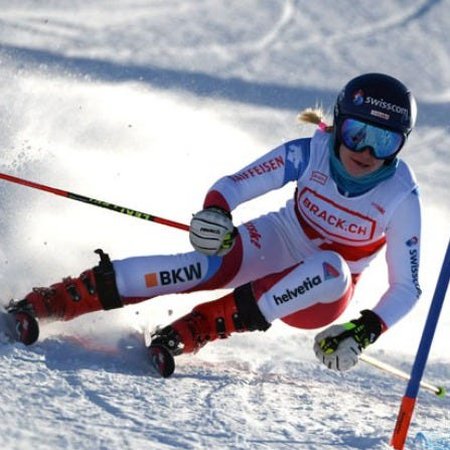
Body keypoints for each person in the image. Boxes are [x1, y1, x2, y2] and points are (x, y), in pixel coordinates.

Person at [6, 73, 422, 377]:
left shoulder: (401, 196)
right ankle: (58, 299)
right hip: (281, 238)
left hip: (323, 295)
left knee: (330, 266)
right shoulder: (308, 152)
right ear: (338, 124)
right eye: (356, 133)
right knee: (198, 265)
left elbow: (406, 286)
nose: (366, 151)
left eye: (384, 141)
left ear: (400, 145)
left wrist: (365, 330)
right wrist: (217, 213)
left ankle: (204, 324)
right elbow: (234, 185)